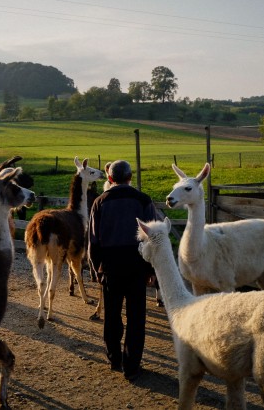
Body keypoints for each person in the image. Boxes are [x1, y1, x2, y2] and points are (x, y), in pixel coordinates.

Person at [87, 160, 158, 381]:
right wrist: (152, 269)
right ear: (130, 177)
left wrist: (95, 268)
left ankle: (114, 358)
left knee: (112, 314)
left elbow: (93, 240)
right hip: (137, 266)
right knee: (136, 318)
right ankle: (131, 365)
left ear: (110, 178)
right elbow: (153, 238)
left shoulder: (100, 202)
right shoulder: (143, 200)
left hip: (110, 267)